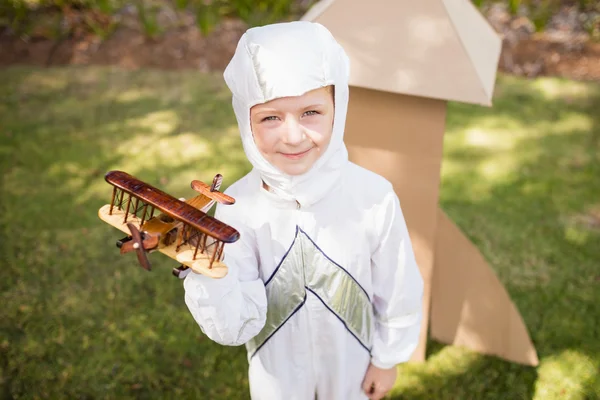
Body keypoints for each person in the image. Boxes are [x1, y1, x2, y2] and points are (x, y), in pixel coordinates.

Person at [183, 21, 424, 400]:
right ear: (245, 120)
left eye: (311, 112)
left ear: (337, 108)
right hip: (276, 374)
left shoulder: (373, 197)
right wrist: (206, 274)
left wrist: (387, 358)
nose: (293, 137)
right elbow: (235, 327)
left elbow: (397, 285)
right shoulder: (236, 210)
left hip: (353, 368)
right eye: (270, 117)